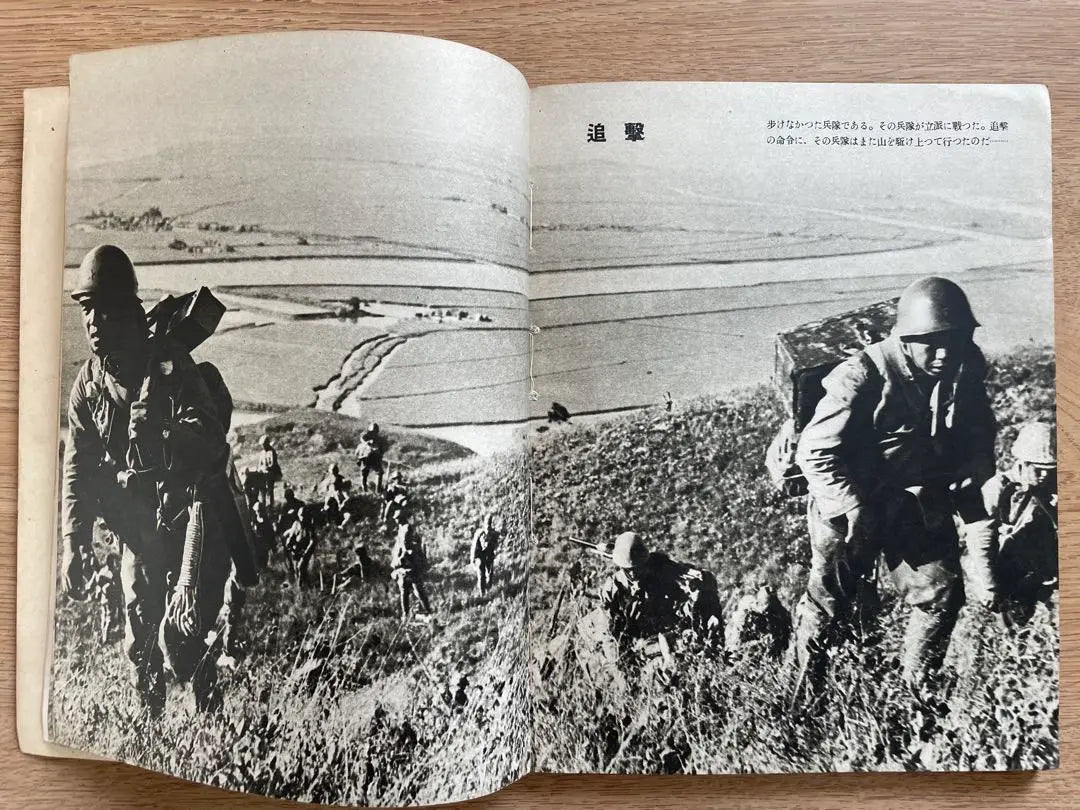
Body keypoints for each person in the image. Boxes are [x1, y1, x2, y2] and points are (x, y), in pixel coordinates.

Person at [60, 244, 242, 716]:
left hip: (191, 518)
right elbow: (78, 463)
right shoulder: (89, 384)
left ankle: (210, 722)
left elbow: (208, 433)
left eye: (104, 309)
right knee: (139, 639)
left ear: (128, 310)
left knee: (183, 639)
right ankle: (150, 735)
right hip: (141, 527)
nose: (93, 321)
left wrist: (163, 433)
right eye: (86, 309)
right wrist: (74, 539)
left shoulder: (169, 362)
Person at [792, 276, 997, 692]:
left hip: (912, 501)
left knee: (941, 594)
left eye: (952, 340)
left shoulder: (965, 366)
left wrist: (974, 468)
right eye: (930, 342)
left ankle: (915, 693)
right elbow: (813, 451)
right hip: (849, 504)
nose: (943, 353)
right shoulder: (862, 374)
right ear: (905, 338)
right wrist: (852, 507)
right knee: (830, 604)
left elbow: (978, 427)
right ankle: (800, 700)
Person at [595, 531, 723, 674]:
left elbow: (691, 580)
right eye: (628, 570)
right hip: (635, 637)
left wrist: (694, 595)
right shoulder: (613, 587)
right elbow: (606, 630)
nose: (633, 574)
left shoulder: (659, 568)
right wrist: (619, 664)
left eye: (638, 568)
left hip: (664, 625)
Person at [979, 421, 1058, 625]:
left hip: (1042, 572)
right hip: (1004, 573)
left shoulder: (1054, 488)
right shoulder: (997, 490)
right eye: (1039, 469)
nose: (1045, 475)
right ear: (1022, 464)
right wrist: (988, 586)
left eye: (1051, 470)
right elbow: (980, 542)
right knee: (1010, 629)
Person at [390, 517, 432, 619]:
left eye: (407, 538)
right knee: (405, 592)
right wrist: (400, 562)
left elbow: (422, 561)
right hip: (404, 573)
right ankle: (407, 614)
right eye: (405, 539)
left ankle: (427, 612)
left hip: (413, 572)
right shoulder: (400, 547)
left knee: (418, 591)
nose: (406, 541)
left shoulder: (414, 547)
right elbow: (395, 562)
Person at [87, 551, 123, 644]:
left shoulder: (103, 571)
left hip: (105, 599)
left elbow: (97, 584)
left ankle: (103, 637)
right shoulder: (113, 573)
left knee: (104, 617)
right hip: (110, 599)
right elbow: (116, 587)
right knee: (109, 619)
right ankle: (105, 639)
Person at [470, 512, 501, 596]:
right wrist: (472, 559)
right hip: (480, 555)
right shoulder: (479, 533)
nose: (488, 525)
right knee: (481, 573)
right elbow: (474, 547)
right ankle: (482, 593)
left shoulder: (494, 533)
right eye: (487, 522)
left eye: (489, 522)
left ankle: (488, 587)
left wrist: (496, 551)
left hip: (489, 555)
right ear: (484, 523)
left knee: (490, 573)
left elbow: (497, 544)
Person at [355, 423, 386, 492]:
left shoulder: (378, 439)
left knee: (378, 473)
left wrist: (378, 451)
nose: (373, 433)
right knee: (364, 473)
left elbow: (381, 450)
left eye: (375, 431)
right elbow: (362, 438)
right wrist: (367, 444)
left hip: (374, 457)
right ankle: (364, 490)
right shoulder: (365, 435)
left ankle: (377, 491)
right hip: (365, 457)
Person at [255, 434, 282, 507]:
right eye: (262, 445)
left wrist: (265, 469)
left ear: (267, 443)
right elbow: (259, 464)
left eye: (264, 444)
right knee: (262, 489)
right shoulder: (262, 453)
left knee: (270, 489)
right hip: (263, 473)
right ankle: (263, 504)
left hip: (270, 473)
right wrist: (260, 469)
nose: (263, 446)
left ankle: (271, 504)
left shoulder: (272, 452)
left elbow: (273, 464)